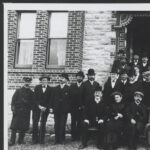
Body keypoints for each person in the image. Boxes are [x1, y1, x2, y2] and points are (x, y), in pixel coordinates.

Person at [9, 77, 33, 146]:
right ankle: (12, 141)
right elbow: (13, 100)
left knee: (23, 127)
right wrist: (13, 109)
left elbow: (32, 102)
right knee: (14, 127)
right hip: (17, 111)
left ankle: (20, 140)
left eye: (28, 82)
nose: (27, 83)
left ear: (30, 83)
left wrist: (28, 105)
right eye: (26, 82)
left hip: (26, 112)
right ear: (23, 82)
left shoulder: (31, 92)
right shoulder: (18, 90)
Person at [32, 75, 53, 144]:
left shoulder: (50, 89)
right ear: (41, 81)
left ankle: (41, 140)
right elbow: (34, 98)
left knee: (43, 123)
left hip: (45, 109)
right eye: (43, 80)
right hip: (37, 108)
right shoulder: (37, 87)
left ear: (48, 81)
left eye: (46, 80)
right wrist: (39, 106)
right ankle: (34, 140)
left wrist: (46, 107)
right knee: (35, 123)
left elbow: (50, 100)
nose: (44, 81)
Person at [52, 73, 70, 144]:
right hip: (56, 109)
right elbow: (52, 99)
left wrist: (68, 108)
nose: (61, 79)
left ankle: (62, 139)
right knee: (56, 124)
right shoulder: (55, 88)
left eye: (63, 78)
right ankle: (56, 139)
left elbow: (70, 100)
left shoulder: (68, 88)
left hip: (64, 110)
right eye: (61, 78)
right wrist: (51, 107)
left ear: (66, 80)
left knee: (62, 124)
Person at [70, 71, 85, 141]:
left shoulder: (85, 86)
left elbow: (86, 97)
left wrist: (83, 106)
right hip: (73, 107)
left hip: (82, 107)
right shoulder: (72, 86)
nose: (79, 78)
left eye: (81, 77)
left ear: (83, 78)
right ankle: (73, 136)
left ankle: (79, 136)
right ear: (76, 77)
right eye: (78, 76)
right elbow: (70, 96)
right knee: (73, 122)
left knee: (80, 122)